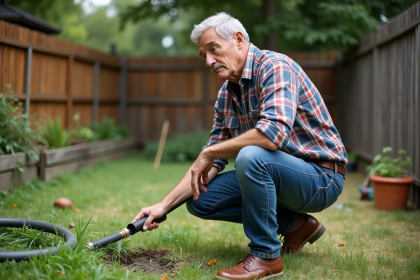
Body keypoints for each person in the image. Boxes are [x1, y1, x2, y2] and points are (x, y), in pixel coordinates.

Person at [132, 12, 347, 280]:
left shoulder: (275, 67)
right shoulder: (226, 95)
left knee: (251, 156)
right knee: (200, 198)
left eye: (213, 49)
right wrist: (162, 205)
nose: (209, 61)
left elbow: (272, 136)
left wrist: (209, 152)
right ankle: (297, 226)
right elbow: (210, 163)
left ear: (238, 39)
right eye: (204, 56)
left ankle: (266, 257)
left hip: (321, 178)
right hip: (280, 173)